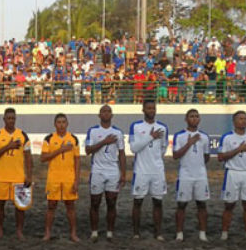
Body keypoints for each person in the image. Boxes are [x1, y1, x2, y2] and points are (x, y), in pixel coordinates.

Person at [0, 108, 32, 239]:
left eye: (13, 118)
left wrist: (29, 175)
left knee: (20, 207)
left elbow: (28, 157)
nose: (11, 120)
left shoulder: (23, 135)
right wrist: (8, 146)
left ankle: (19, 231)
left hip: (18, 177)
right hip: (1, 177)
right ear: (4, 119)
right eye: (8, 118)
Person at [218, 111, 246, 241]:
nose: (244, 121)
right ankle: (224, 233)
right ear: (234, 121)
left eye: (245, 119)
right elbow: (221, 157)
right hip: (232, 173)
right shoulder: (227, 138)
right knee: (229, 205)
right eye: (241, 118)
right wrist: (239, 149)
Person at [85, 105, 126, 241]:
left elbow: (122, 154)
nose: (106, 114)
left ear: (112, 115)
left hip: (113, 171)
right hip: (97, 170)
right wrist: (104, 142)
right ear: (99, 115)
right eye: (103, 111)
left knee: (111, 202)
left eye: (109, 111)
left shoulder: (118, 133)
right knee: (95, 202)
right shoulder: (93, 131)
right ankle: (94, 232)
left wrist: (123, 173)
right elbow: (88, 150)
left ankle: (109, 232)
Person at [129, 100, 168, 240]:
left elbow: (163, 149)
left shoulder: (163, 128)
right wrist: (150, 137)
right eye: (149, 108)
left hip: (157, 170)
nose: (151, 110)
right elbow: (134, 148)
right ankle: (136, 233)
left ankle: (158, 233)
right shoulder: (136, 126)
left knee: (158, 201)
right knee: (138, 202)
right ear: (143, 110)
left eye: (153, 108)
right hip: (141, 170)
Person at [172, 109, 211, 242]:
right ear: (186, 119)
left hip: (200, 175)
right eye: (191, 116)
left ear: (199, 119)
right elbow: (175, 155)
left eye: (196, 116)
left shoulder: (204, 137)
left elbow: (206, 157)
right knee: (182, 204)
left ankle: (202, 233)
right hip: (185, 175)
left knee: (202, 204)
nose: (194, 119)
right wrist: (190, 143)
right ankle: (179, 233)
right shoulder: (180, 136)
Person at [41, 114, 80, 242]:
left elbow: (77, 161)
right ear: (55, 124)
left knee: (70, 206)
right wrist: (60, 149)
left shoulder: (73, 139)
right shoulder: (49, 139)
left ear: (67, 124)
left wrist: (77, 180)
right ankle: (47, 233)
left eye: (64, 122)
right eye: (59, 122)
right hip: (54, 178)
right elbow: (43, 158)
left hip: (69, 177)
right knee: (51, 206)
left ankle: (73, 234)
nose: (61, 124)